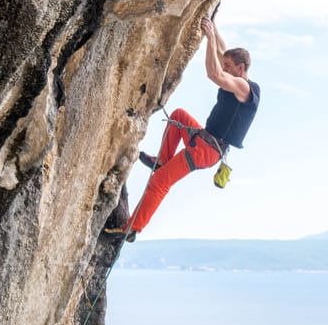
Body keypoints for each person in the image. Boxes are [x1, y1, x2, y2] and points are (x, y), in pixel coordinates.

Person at [105, 17, 260, 242]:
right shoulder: (236, 76)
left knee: (160, 181)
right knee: (178, 116)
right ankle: (163, 159)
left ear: (241, 68)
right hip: (203, 138)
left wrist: (208, 38)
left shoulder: (244, 88)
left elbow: (213, 74)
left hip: (207, 150)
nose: (224, 68)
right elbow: (222, 51)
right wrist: (213, 25)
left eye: (229, 67)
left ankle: (133, 228)